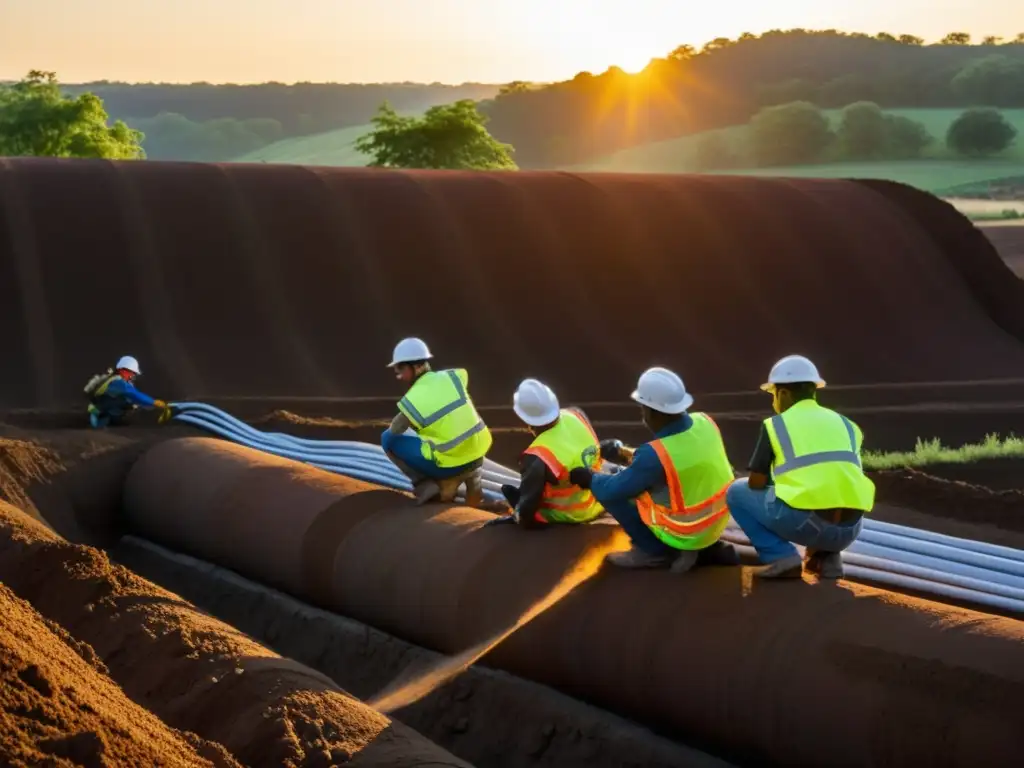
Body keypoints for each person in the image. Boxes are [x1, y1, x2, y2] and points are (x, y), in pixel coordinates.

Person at [568, 367, 738, 572]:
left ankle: (652, 551)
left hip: (685, 531)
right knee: (634, 479)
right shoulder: (705, 422)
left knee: (612, 484)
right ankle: (707, 548)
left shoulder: (654, 454)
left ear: (650, 411)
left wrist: (589, 479)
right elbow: (671, 460)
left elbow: (613, 489)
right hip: (716, 521)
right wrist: (622, 452)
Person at [725, 355, 875, 580]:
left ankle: (780, 556)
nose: (773, 402)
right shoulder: (847, 424)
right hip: (850, 529)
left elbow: (756, 483)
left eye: (773, 394)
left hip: (809, 525)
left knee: (736, 493)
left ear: (783, 393)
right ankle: (827, 559)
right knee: (831, 493)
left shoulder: (776, 425)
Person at [381, 337, 492, 506]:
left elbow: (395, 429)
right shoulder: (453, 377)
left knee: (387, 439)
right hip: (478, 452)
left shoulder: (415, 397)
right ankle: (472, 481)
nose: (399, 376)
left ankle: (427, 486)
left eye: (401, 369)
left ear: (417, 366)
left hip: (451, 463)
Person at [485, 378, 604, 528]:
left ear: (524, 418)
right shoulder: (577, 415)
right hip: (597, 501)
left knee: (516, 494)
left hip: (568, 514)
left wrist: (519, 516)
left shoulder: (538, 455)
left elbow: (528, 505)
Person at [84, 355, 172, 428]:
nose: (133, 375)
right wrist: (154, 402)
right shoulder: (119, 383)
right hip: (101, 413)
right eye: (132, 373)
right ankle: (108, 420)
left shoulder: (113, 378)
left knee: (131, 404)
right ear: (123, 370)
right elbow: (135, 395)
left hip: (100, 407)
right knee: (130, 403)